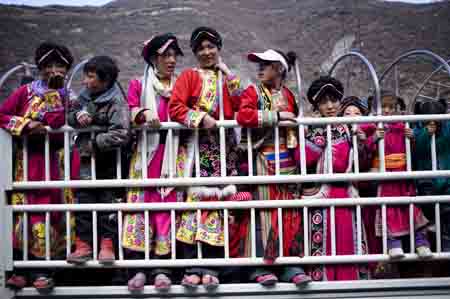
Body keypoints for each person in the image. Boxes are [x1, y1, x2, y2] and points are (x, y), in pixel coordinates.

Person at [169, 26, 242, 290]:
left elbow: (242, 105)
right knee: (195, 206)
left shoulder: (227, 78)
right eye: (201, 48)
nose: (207, 52)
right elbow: (175, 107)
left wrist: (229, 75)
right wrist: (202, 117)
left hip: (224, 150)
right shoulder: (189, 76)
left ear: (219, 49)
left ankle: (213, 267)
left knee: (220, 208)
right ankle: (192, 267)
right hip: (197, 151)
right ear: (195, 52)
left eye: (211, 47)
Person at [1, 41, 75, 291]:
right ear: (40, 68)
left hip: (56, 163)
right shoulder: (25, 92)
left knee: (52, 213)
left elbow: (56, 124)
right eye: (48, 65)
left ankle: (45, 271)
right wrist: (25, 125)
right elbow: (2, 114)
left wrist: (55, 94)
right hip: (27, 161)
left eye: (59, 66)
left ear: (67, 70)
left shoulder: (70, 97)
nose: (53, 70)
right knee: (25, 212)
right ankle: (20, 270)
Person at [236, 49, 311, 286]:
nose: (260, 68)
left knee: (289, 213)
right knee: (261, 212)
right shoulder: (253, 92)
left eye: (265, 64)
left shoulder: (289, 94)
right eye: (259, 64)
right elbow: (243, 115)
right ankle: (259, 266)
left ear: (279, 69)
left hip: (288, 162)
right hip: (262, 161)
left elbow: (297, 119)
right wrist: (277, 117)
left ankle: (291, 265)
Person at [122, 33, 183, 292]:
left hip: (173, 156)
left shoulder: (183, 84)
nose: (171, 60)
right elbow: (132, 109)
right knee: (141, 207)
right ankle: (138, 269)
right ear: (152, 59)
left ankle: (162, 270)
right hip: (146, 158)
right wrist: (144, 113)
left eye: (173, 55)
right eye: (164, 56)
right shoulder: (138, 83)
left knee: (167, 210)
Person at [298, 76, 369, 281]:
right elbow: (303, 159)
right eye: (323, 101)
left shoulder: (347, 127)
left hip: (346, 196)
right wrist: (319, 138)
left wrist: (363, 143)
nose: (330, 106)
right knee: (325, 246)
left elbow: (360, 165)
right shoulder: (311, 127)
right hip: (322, 197)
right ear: (316, 105)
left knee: (349, 244)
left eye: (334, 100)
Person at [67, 56, 130, 265]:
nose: (84, 81)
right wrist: (78, 117)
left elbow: (121, 132)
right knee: (83, 202)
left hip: (109, 163)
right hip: (86, 163)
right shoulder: (84, 97)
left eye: (90, 76)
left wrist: (95, 142)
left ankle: (107, 245)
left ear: (106, 80)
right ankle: (83, 245)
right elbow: (70, 113)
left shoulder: (116, 101)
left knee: (108, 204)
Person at [366, 91, 431, 259]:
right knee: (388, 207)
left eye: (390, 107)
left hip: (403, 173)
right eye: (383, 107)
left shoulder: (402, 126)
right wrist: (373, 138)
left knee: (410, 205)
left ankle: (421, 242)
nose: (387, 111)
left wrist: (412, 137)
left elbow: (415, 148)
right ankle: (393, 244)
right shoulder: (372, 125)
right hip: (386, 175)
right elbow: (365, 147)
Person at [414, 99, 450, 251]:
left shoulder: (447, 129)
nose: (433, 123)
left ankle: (446, 242)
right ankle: (429, 238)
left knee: (447, 211)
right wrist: (426, 134)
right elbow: (417, 150)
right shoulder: (416, 129)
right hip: (425, 180)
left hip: (446, 179)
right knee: (428, 206)